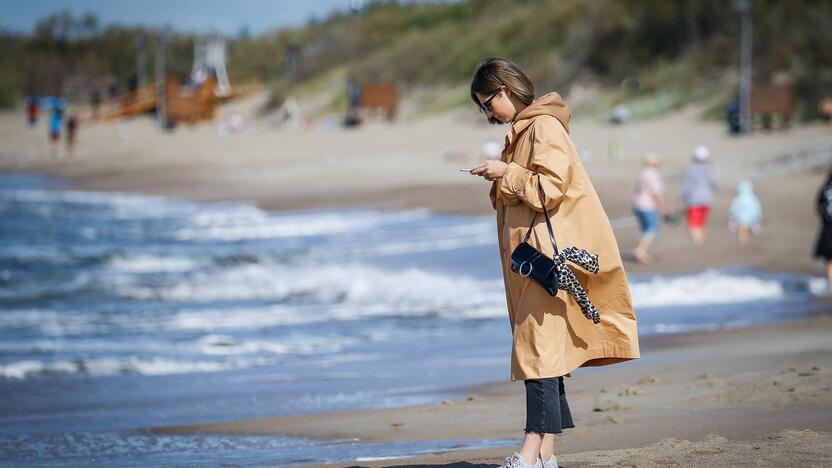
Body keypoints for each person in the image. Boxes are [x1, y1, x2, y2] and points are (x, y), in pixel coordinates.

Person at [468, 57, 640, 468]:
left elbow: (550, 188)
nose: (487, 112)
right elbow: (522, 193)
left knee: (539, 351)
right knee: (542, 349)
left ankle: (531, 450)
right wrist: (501, 175)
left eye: (488, 102)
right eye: (482, 106)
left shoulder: (543, 127)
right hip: (530, 257)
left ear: (506, 90)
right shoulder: (523, 130)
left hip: (543, 256)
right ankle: (546, 452)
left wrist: (505, 171)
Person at [631, 152, 665, 263]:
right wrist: (663, 207)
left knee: (644, 230)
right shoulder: (652, 174)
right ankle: (639, 251)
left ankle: (641, 251)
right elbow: (655, 193)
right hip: (647, 205)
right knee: (651, 230)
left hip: (637, 204)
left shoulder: (642, 173)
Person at [681, 145, 717, 245]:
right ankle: (701, 240)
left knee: (693, 223)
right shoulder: (710, 169)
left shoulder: (690, 170)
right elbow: (714, 184)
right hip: (707, 200)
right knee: (701, 222)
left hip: (693, 200)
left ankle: (697, 242)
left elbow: (687, 187)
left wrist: (683, 198)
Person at [814, 170, 832, 294]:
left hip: (828, 226)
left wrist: (823, 217)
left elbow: (817, 207)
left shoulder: (825, 189)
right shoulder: (825, 189)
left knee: (829, 258)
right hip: (828, 227)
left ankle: (831, 283)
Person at [729, 180, 763, 244]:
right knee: (752, 223)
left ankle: (743, 238)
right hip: (752, 218)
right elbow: (758, 209)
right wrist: (759, 217)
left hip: (740, 218)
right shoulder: (753, 199)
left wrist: (732, 218)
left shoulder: (738, 199)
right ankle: (753, 230)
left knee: (741, 224)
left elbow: (733, 210)